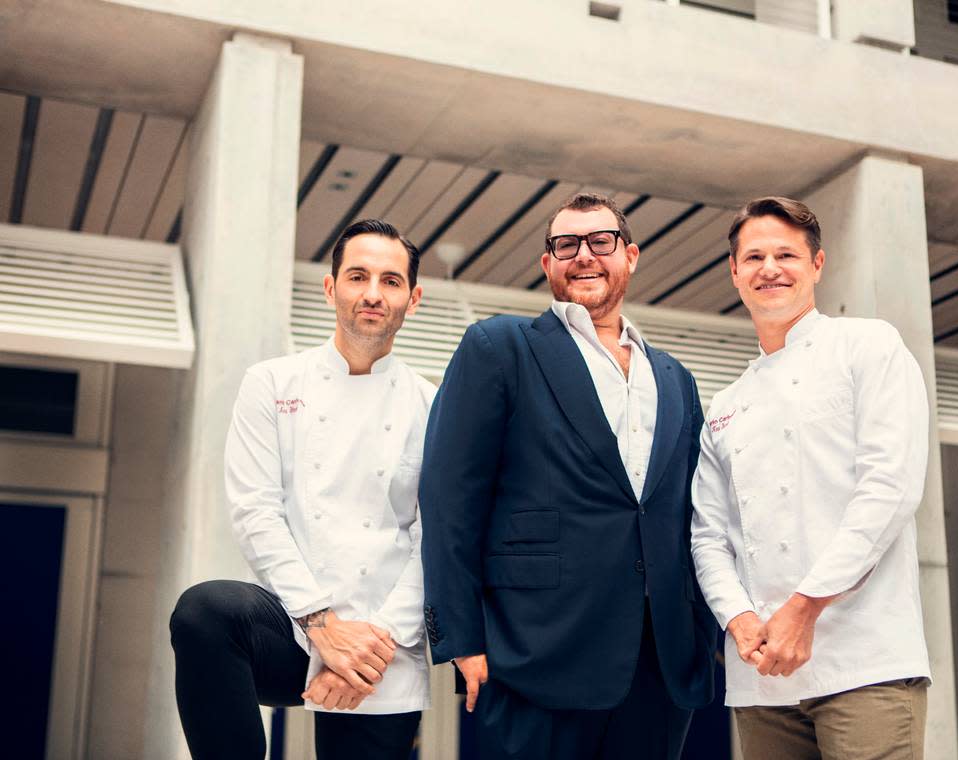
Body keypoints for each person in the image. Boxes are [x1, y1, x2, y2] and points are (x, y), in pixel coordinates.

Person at [419, 192, 716, 759]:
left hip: (663, 659)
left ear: (630, 256)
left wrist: (702, 633)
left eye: (600, 242)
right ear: (547, 264)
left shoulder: (676, 377)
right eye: (566, 245)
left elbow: (693, 510)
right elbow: (447, 498)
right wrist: (463, 638)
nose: (584, 255)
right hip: (538, 653)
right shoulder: (499, 346)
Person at [168, 219, 435, 759]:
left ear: (413, 297)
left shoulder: (433, 405)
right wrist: (321, 626)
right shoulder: (272, 383)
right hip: (293, 627)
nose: (372, 294)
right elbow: (256, 510)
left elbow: (437, 540)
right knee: (205, 611)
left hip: (386, 643)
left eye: (390, 281)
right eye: (358, 276)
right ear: (330, 287)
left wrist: (367, 651)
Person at [691, 197, 932, 760]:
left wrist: (803, 608)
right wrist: (739, 617)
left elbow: (889, 488)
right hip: (762, 677)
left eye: (786, 254)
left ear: (817, 266)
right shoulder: (725, 405)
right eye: (753, 256)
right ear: (734, 271)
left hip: (865, 661)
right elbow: (708, 535)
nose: (769, 268)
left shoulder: (868, 346)